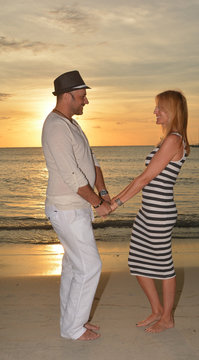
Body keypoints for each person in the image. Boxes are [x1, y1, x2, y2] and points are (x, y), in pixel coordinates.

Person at [111, 90, 190, 333]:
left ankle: (167, 317)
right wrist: (115, 200)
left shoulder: (174, 140)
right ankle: (156, 310)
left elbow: (144, 179)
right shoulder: (169, 140)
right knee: (136, 261)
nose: (155, 112)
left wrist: (115, 204)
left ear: (172, 111)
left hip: (159, 212)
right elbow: (143, 180)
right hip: (149, 210)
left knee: (163, 265)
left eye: (160, 108)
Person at [42, 70, 111, 341]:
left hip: (76, 206)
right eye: (82, 96)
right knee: (90, 265)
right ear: (67, 95)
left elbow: (92, 161)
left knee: (74, 266)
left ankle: (73, 322)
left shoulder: (70, 123)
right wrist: (98, 204)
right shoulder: (56, 127)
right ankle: (73, 329)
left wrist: (102, 192)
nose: (86, 101)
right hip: (67, 208)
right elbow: (72, 175)